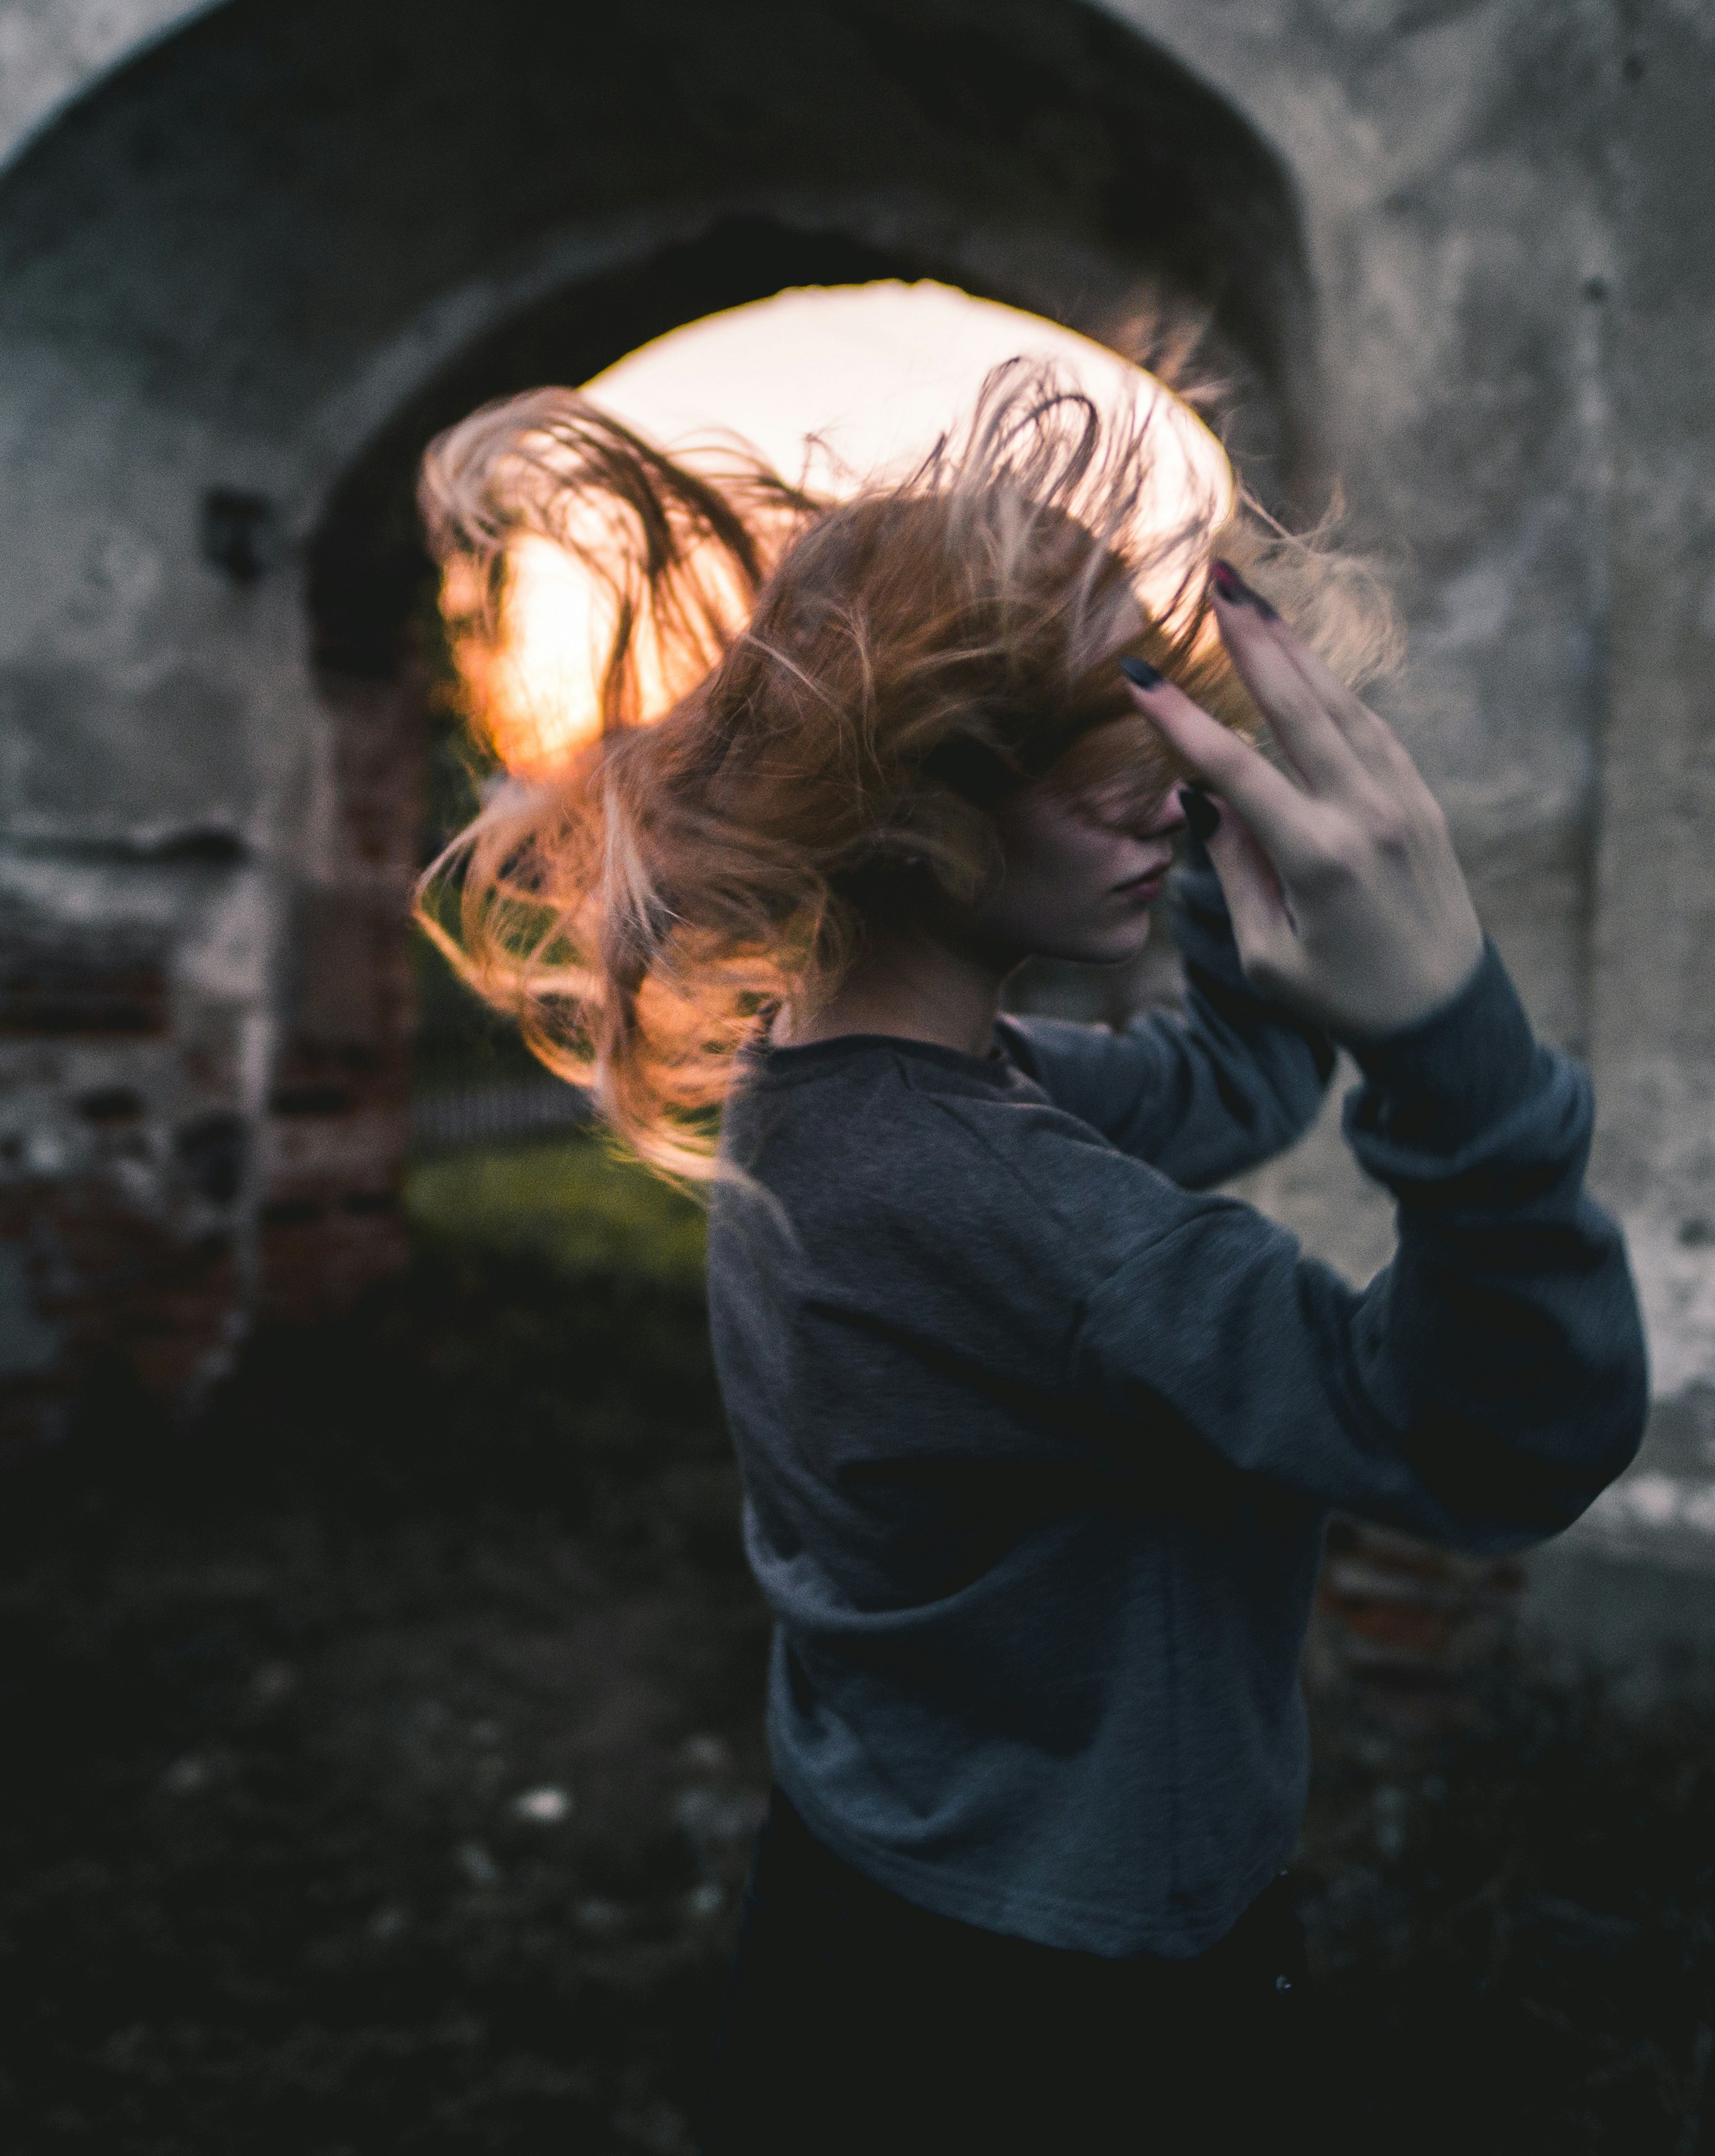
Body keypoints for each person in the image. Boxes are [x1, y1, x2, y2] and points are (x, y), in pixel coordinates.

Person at [417, 365, 1649, 2152]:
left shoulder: (838, 1092)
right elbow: (1497, 1436)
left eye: (1177, 767)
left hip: (877, 1896)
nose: (1166, 807)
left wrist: (1236, 838)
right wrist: (1449, 1032)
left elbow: (1229, 1077)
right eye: (1118, 780)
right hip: (1059, 2013)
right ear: (926, 807)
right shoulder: (1006, 1206)